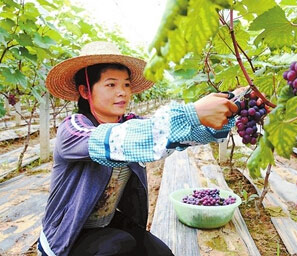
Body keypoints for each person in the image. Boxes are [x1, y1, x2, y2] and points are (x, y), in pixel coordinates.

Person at [37, 41, 244, 256]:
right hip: (68, 234)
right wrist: (192, 112)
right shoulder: (72, 130)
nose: (122, 93)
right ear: (85, 91)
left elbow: (174, 136)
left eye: (126, 85)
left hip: (106, 223)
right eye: (111, 85)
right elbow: (121, 140)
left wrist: (234, 108)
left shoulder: (130, 123)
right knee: (118, 244)